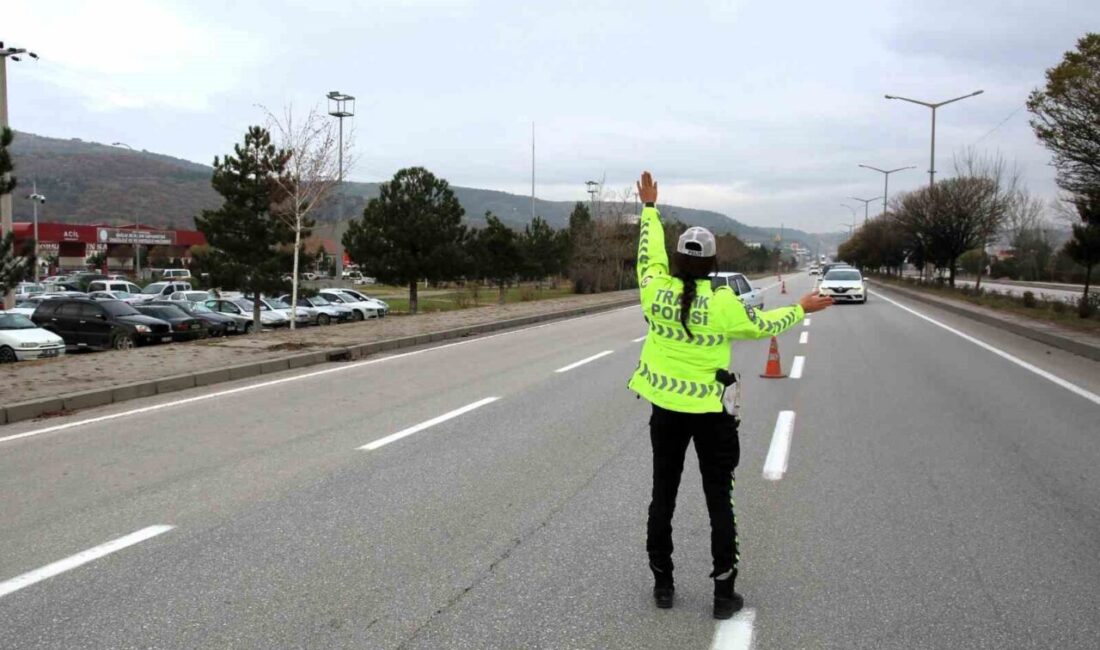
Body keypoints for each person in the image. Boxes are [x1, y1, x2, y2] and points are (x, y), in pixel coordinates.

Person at [628, 171, 832, 619]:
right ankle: (724, 595)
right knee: (719, 497)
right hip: (712, 416)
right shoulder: (723, 304)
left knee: (663, 495)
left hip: (666, 412)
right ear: (714, 264)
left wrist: (649, 209)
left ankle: (663, 585)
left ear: (678, 261)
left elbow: (647, 256)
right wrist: (801, 307)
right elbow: (765, 326)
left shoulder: (654, 291)